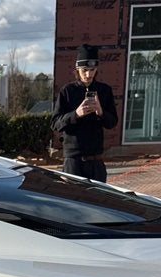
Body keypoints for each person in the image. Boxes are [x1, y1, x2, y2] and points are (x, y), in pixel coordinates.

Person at [51, 43, 118, 182]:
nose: (88, 74)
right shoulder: (67, 91)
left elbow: (112, 122)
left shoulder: (104, 90)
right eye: (84, 70)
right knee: (72, 195)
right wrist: (76, 114)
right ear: (77, 69)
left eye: (92, 70)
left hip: (96, 160)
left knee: (97, 195)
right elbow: (55, 123)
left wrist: (101, 112)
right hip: (73, 161)